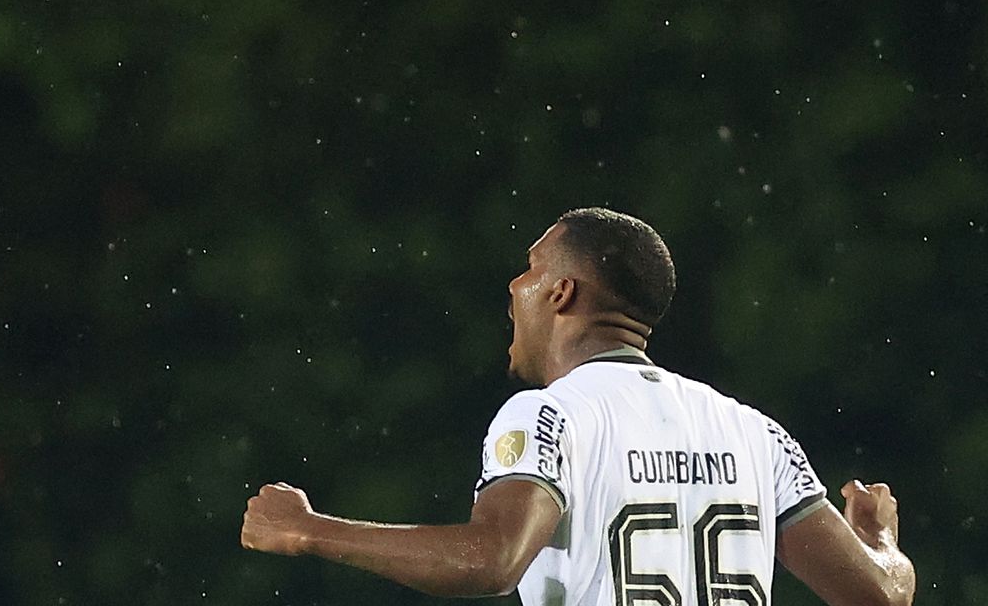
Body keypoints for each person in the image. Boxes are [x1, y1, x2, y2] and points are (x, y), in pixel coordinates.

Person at [241, 207, 915, 606]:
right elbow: (882, 594)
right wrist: (879, 541)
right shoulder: (755, 433)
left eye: (531, 268)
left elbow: (491, 560)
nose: (516, 285)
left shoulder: (550, 415)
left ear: (562, 292)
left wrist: (309, 529)